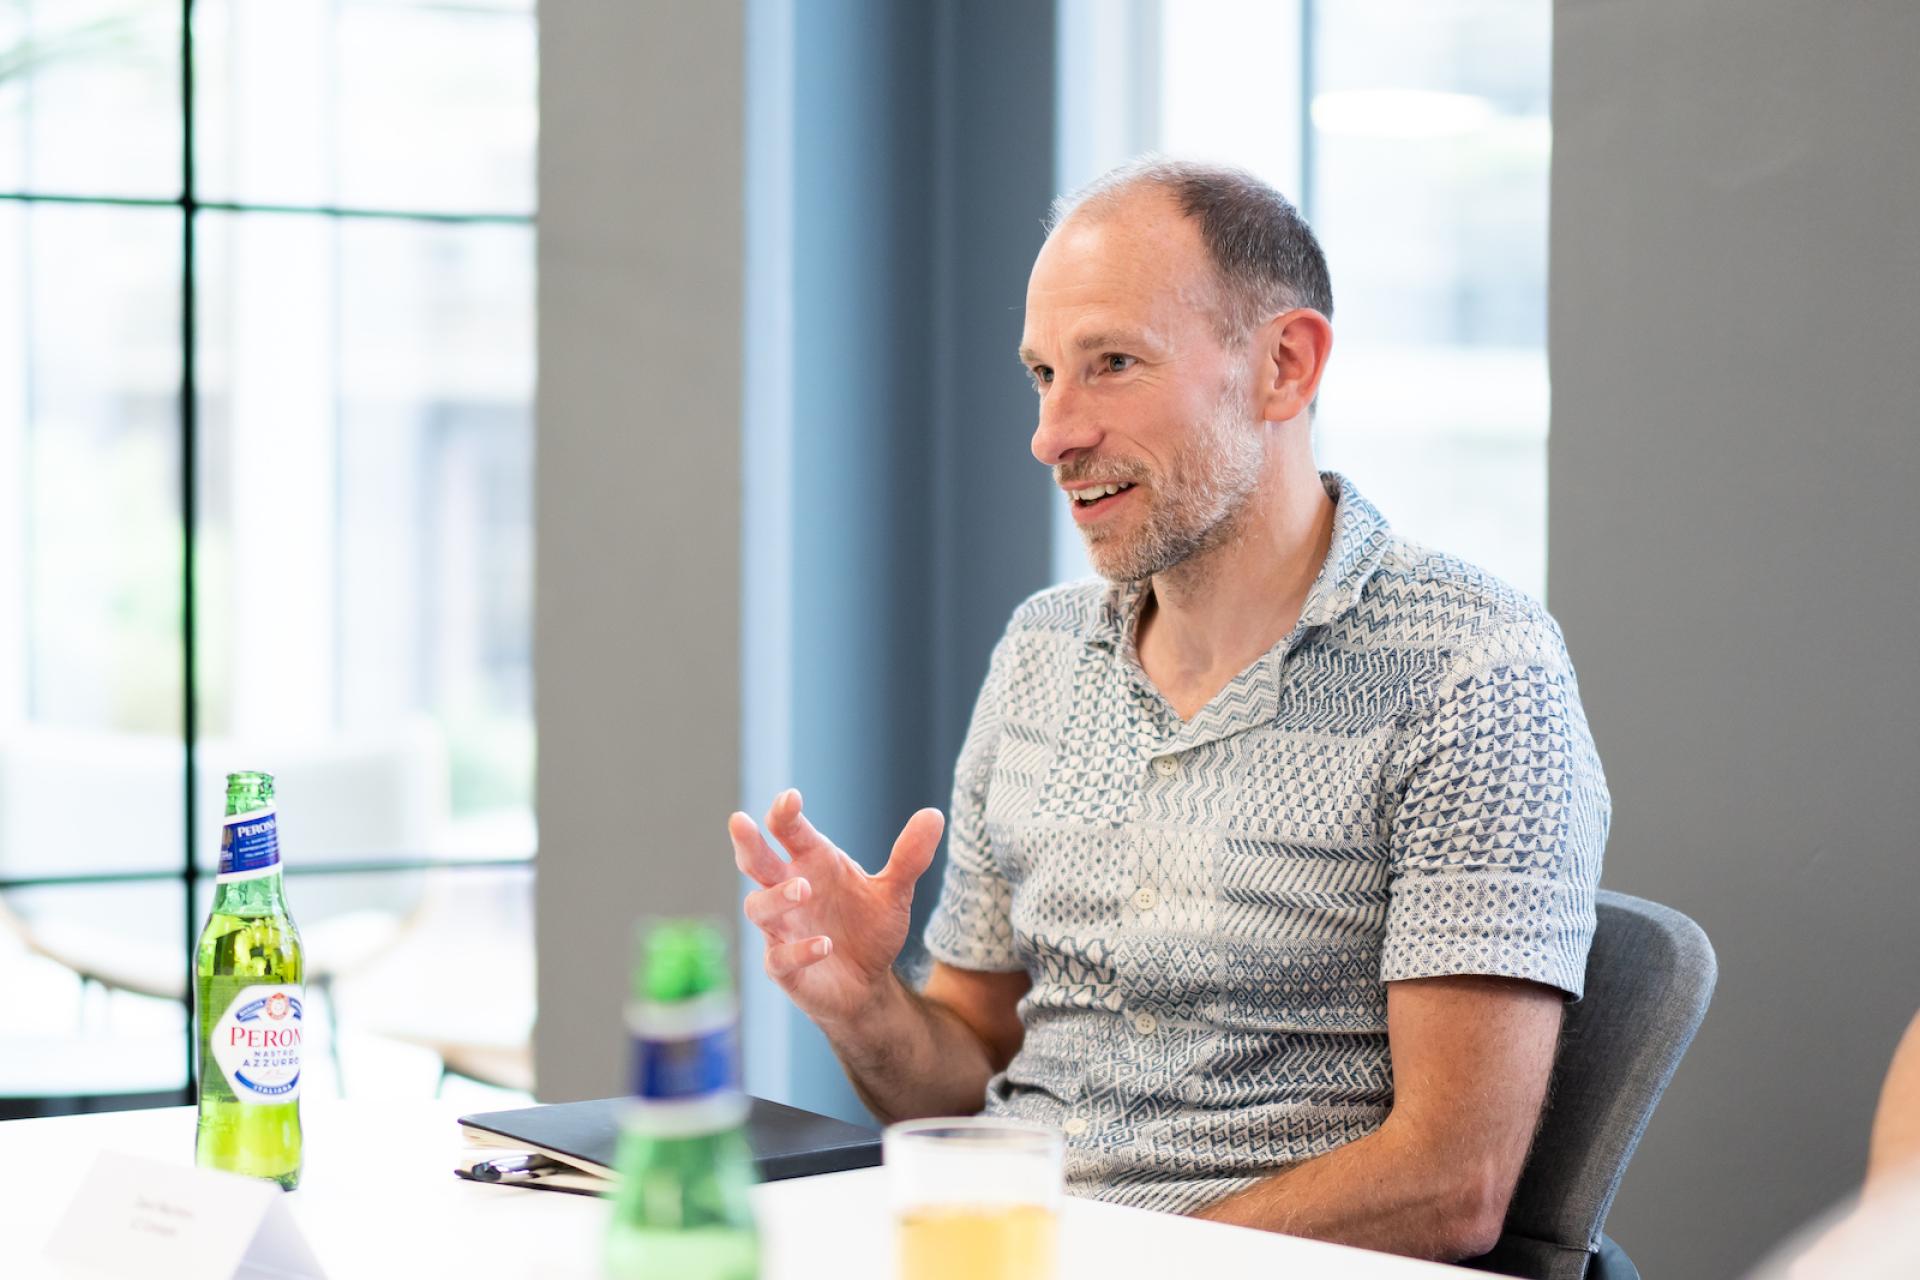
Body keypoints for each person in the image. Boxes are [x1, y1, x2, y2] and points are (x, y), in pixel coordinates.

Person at [728, 158, 1608, 1263]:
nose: (1054, 432)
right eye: (1043, 373)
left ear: (1285, 366)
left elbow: (1449, 1181)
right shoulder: (1042, 651)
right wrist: (861, 1001)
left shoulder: (1474, 667)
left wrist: (1114, 1259)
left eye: (1112, 365)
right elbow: (963, 1081)